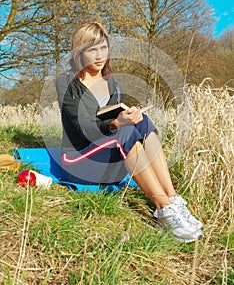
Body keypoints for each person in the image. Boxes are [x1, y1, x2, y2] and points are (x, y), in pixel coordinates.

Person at [56, 21, 203, 243]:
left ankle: (173, 199)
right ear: (79, 52)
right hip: (79, 159)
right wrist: (116, 124)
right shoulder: (67, 82)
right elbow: (82, 126)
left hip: (108, 159)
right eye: (92, 49)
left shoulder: (114, 84)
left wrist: (130, 118)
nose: (99, 56)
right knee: (124, 132)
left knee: (143, 121)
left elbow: (119, 125)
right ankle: (164, 210)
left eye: (103, 48)